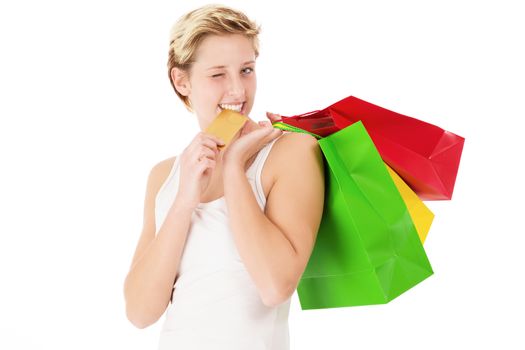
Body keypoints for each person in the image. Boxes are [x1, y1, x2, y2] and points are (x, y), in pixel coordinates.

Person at [123, 4, 325, 349]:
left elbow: (275, 286)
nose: (237, 90)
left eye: (246, 70)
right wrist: (185, 198)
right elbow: (140, 312)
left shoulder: (291, 153)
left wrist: (233, 167)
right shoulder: (165, 176)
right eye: (218, 75)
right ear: (181, 80)